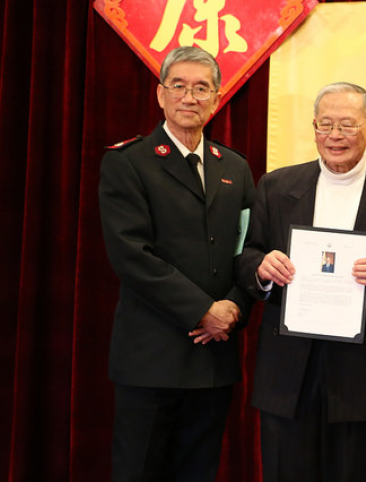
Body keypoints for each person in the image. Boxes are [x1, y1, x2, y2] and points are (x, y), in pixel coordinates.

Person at [235, 82, 366, 482]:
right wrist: (263, 269)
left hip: (361, 369)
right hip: (287, 367)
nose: (334, 136)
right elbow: (247, 256)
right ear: (313, 128)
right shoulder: (276, 185)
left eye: (347, 126)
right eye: (325, 125)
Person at [98, 46, 256, 481]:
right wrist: (202, 309)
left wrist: (233, 309)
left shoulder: (236, 168)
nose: (190, 97)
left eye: (201, 87)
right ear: (160, 95)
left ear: (217, 98)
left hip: (213, 359)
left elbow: (248, 250)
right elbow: (131, 255)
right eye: (179, 86)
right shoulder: (128, 162)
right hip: (151, 357)